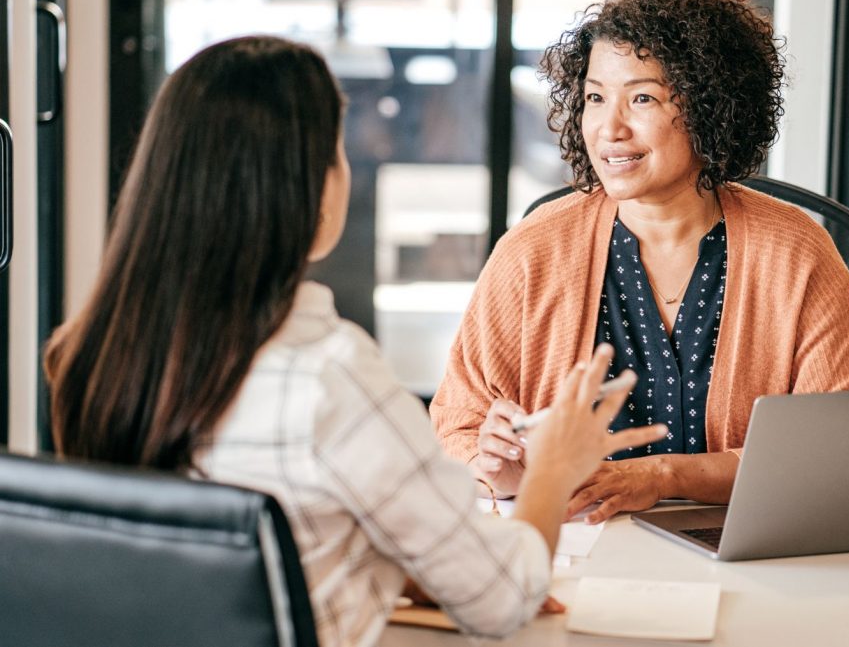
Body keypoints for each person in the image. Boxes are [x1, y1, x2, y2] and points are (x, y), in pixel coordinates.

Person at [43, 36, 665, 647]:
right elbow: (503, 599)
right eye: (337, 153)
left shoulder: (90, 355)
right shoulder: (329, 377)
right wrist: (552, 470)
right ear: (307, 191)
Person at [430, 0, 849, 525]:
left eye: (641, 97)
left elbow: (839, 447)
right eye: (595, 98)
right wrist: (496, 466)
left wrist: (666, 476)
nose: (609, 128)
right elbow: (458, 423)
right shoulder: (533, 249)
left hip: (743, 547)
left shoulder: (795, 250)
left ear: (709, 105)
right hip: (570, 543)